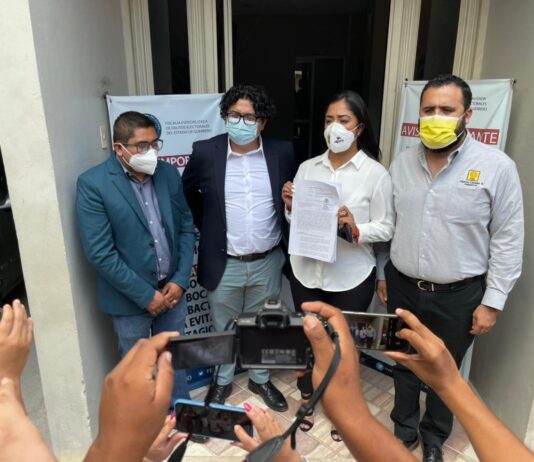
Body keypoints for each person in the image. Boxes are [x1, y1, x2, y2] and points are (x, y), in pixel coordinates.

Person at [375, 74, 524, 461]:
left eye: (446, 109)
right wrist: (382, 272)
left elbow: (508, 238)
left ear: (467, 115)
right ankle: (404, 429)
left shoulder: (496, 167)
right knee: (404, 361)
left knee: (447, 372)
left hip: (459, 296)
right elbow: (388, 225)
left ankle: (434, 437)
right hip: (403, 286)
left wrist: (492, 302)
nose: (436, 117)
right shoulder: (402, 163)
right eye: (428, 110)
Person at [281, 90, 394, 439]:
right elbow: (296, 220)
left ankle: (343, 410)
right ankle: (308, 399)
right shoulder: (307, 167)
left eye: (343, 120)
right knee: (307, 337)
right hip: (306, 271)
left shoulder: (375, 174)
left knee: (345, 346)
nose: (335, 128)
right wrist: (290, 207)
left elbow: (387, 227)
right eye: (329, 120)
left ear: (360, 127)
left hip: (351, 276)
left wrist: (355, 227)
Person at [182, 84, 296, 412]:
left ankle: (260, 378)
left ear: (262, 122)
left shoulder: (282, 152)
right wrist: (208, 225)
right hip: (224, 260)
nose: (241, 122)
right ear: (225, 116)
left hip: (268, 259)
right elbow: (187, 192)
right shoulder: (206, 151)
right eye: (234, 115)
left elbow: (291, 197)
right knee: (223, 327)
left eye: (249, 117)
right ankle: (222, 381)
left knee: (264, 323)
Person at [76, 111, 196, 408]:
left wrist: (180, 280)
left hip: (172, 291)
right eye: (142, 146)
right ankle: (143, 425)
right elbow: (100, 252)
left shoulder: (168, 174)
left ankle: (181, 414)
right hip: (129, 301)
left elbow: (185, 227)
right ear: (119, 148)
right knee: (136, 371)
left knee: (174, 360)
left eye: (155, 144)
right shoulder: (94, 184)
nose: (151, 151)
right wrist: (145, 295)